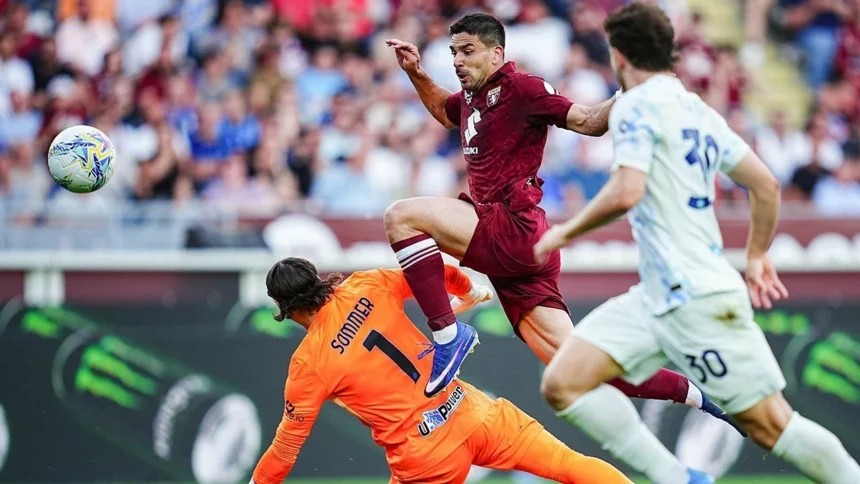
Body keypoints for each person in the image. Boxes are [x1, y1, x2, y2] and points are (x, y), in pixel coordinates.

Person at [386, 12, 725, 484]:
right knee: (582, 367)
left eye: (467, 51)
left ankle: (447, 336)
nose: (458, 61)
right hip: (517, 254)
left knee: (401, 216)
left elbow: (588, 122)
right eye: (454, 53)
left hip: (512, 227)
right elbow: (446, 111)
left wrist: (631, 90)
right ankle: (708, 399)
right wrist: (416, 73)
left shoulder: (523, 89)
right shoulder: (473, 97)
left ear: (496, 53)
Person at [534, 4, 860, 484]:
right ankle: (680, 479)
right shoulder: (696, 109)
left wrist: (564, 231)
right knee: (564, 383)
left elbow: (627, 190)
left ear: (619, 55)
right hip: (656, 297)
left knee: (771, 425)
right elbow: (765, 184)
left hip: (696, 297)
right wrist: (756, 255)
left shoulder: (635, 104)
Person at [248, 257, 633, 484]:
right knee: (569, 465)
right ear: (317, 279)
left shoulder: (308, 363)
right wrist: (468, 291)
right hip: (472, 412)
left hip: (425, 452)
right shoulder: (367, 284)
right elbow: (432, 271)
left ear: (283, 309)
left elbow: (285, 451)